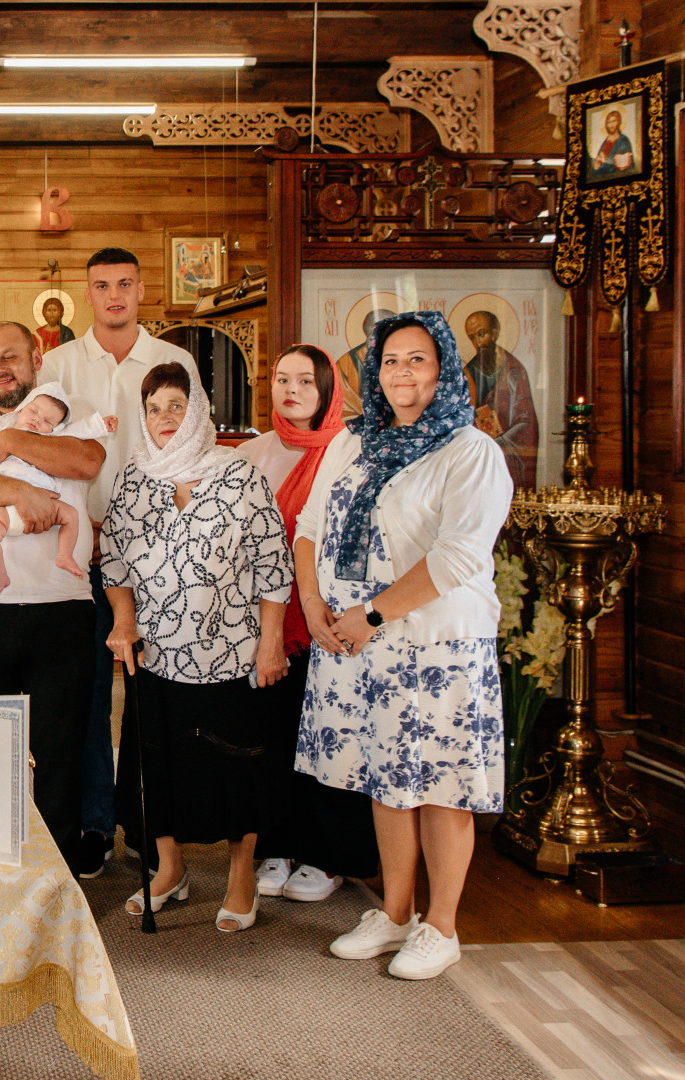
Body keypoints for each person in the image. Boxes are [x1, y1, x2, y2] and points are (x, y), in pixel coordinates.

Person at [292, 310, 511, 980]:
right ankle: (392, 913)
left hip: (434, 644)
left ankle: (438, 926)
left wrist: (372, 615)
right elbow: (307, 526)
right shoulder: (350, 442)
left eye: (417, 359)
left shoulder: (470, 451)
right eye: (389, 360)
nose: (400, 373)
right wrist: (313, 603)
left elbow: (456, 558)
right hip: (358, 642)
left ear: (443, 367)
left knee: (440, 785)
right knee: (384, 781)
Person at [103, 362, 293, 932]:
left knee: (236, 768)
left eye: (177, 406)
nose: (165, 417)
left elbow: (272, 564)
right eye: (155, 407)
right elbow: (113, 562)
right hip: (158, 655)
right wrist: (122, 622)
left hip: (233, 653)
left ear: (199, 410)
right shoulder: (134, 479)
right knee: (159, 767)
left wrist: (272, 641)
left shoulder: (238, 475)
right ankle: (170, 868)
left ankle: (241, 876)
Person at [39, 246, 195, 879]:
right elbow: (43, 451)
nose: (113, 296)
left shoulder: (173, 361)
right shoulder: (58, 364)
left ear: (140, 289)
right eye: (101, 285)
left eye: (124, 284)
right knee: (87, 695)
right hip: (81, 547)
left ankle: (156, 830)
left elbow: (190, 448)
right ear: (87, 290)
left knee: (155, 695)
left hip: (156, 552)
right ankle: (96, 824)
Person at [0, 321, 106, 870]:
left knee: (60, 751)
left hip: (64, 608)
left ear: (37, 356)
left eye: (10, 356)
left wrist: (7, 443)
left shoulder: (68, 409)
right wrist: (26, 492)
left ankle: (57, 879)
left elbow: (84, 461)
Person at [238, 344, 380, 905]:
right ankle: (276, 846)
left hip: (331, 618)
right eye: (280, 379)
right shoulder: (251, 454)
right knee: (271, 737)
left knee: (332, 739)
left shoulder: (353, 451)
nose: (291, 389)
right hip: (269, 618)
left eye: (305, 380)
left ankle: (326, 856)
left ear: (327, 390)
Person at [0, 383, 113, 597]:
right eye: (33, 411)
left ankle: (65, 555)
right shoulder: (0, 431)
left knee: (71, 515)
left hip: (46, 502)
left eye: (47, 421)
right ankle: (0, 574)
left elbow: (81, 430)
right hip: (7, 505)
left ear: (54, 429)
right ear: (21, 408)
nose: (37, 420)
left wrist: (101, 424)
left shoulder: (51, 439)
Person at [462, 310, 539, 491]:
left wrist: (497, 443)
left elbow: (526, 422)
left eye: (482, 334)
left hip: (506, 454)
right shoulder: (468, 372)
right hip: (478, 454)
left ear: (495, 333)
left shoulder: (514, 370)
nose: (478, 343)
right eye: (472, 338)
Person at [587, 108, 637, 179]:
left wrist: (603, 165)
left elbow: (624, 165)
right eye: (609, 122)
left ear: (618, 122)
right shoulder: (605, 142)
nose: (611, 125)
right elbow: (597, 165)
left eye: (614, 121)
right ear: (606, 124)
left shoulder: (623, 140)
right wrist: (596, 166)